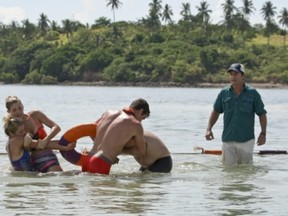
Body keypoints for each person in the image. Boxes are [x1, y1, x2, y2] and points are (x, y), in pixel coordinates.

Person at [205, 63, 267, 165]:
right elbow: (216, 111)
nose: (233, 76)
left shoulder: (253, 93)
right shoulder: (224, 93)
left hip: (246, 140)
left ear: (243, 76)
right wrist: (209, 129)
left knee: (245, 170)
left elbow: (262, 114)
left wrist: (263, 133)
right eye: (231, 74)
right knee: (228, 171)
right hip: (228, 139)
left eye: (236, 74)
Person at [82, 98, 150, 175]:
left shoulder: (108, 112)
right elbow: (141, 151)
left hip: (88, 158)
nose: (141, 121)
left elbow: (91, 131)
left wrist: (103, 146)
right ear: (140, 111)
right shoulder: (136, 124)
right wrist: (118, 151)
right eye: (143, 118)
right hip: (101, 162)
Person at [5, 96, 63, 172]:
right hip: (30, 164)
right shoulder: (12, 129)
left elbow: (56, 127)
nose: (18, 112)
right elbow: (17, 153)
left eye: (20, 108)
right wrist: (26, 146)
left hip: (46, 156)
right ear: (9, 112)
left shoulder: (35, 115)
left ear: (23, 106)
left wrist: (46, 140)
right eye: (14, 110)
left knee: (60, 177)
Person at [3, 116, 75, 172]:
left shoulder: (8, 144)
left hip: (23, 174)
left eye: (24, 129)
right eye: (21, 131)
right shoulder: (18, 140)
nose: (24, 132)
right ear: (11, 133)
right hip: (29, 175)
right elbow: (43, 144)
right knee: (72, 174)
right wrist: (65, 146)